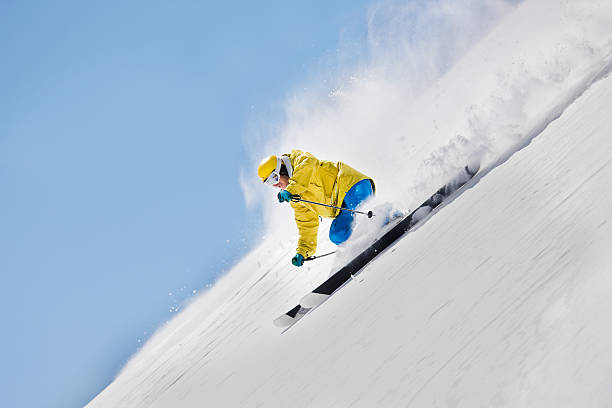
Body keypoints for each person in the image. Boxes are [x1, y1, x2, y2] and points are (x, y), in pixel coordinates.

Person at [258, 150, 375, 267]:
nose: (275, 185)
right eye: (270, 183)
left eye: (274, 178)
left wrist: (291, 189)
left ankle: (386, 218)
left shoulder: (299, 160)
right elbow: (307, 224)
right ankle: (369, 239)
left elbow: (307, 167)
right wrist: (303, 251)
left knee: (362, 210)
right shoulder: (295, 198)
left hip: (352, 186)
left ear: (281, 169)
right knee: (337, 235)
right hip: (343, 209)